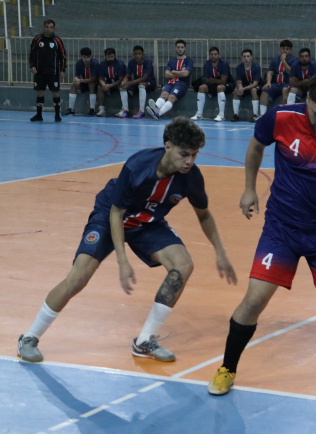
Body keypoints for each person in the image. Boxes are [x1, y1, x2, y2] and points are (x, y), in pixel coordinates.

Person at [207, 71, 316, 396]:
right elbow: (256, 147)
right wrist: (249, 188)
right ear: (306, 100)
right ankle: (227, 368)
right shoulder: (281, 117)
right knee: (253, 301)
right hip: (281, 229)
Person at [18, 117, 238, 363]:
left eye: (195, 155)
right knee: (79, 277)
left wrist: (220, 252)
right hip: (109, 216)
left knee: (183, 265)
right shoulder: (138, 166)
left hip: (147, 222)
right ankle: (29, 337)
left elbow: (204, 215)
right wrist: (122, 261)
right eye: (184, 154)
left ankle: (144, 341)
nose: (189, 161)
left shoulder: (192, 178)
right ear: (167, 146)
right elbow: (116, 213)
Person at [28, 19, 66, 122]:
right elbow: (32, 54)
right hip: (40, 72)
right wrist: (32, 66)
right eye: (47, 27)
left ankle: (57, 115)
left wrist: (62, 70)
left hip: (53, 72)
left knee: (55, 92)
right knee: (40, 92)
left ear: (54, 28)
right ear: (43, 27)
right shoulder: (37, 39)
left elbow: (62, 56)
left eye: (51, 27)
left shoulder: (57, 40)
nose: (49, 29)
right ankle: (39, 115)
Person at [146, 40, 194, 120]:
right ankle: (156, 108)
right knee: (164, 95)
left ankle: (158, 113)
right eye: (178, 47)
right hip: (170, 82)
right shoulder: (172, 61)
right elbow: (166, 74)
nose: (180, 49)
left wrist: (174, 72)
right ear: (175, 48)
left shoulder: (189, 61)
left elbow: (186, 74)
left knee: (171, 97)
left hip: (181, 84)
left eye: (182, 47)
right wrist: (180, 72)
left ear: (185, 48)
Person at [190, 47, 234, 122]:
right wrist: (215, 80)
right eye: (212, 54)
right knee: (201, 87)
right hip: (213, 85)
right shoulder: (207, 64)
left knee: (220, 87)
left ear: (219, 55)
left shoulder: (224, 63)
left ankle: (221, 115)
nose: (213, 56)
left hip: (228, 84)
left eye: (215, 54)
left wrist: (212, 80)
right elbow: (207, 79)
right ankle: (199, 114)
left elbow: (223, 81)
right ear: (209, 55)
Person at [259, 39, 297, 119]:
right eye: (283, 49)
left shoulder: (294, 60)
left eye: (287, 49)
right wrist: (268, 82)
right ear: (280, 49)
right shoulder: (275, 60)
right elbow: (270, 72)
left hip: (287, 84)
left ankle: (285, 115)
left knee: (285, 90)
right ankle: (263, 115)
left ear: (290, 50)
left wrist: (283, 61)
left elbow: (290, 72)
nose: (285, 51)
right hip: (276, 84)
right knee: (265, 90)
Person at [120, 45, 157, 119]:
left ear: (143, 54)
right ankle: (125, 110)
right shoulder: (131, 62)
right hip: (136, 83)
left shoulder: (148, 62)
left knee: (141, 85)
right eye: (135, 54)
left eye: (139, 54)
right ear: (133, 54)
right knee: (122, 87)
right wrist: (124, 81)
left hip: (150, 83)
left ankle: (141, 112)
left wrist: (129, 83)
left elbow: (144, 78)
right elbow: (127, 75)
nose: (137, 56)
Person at [64, 47, 99, 116]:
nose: (86, 59)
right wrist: (76, 80)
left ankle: (92, 109)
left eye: (88, 57)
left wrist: (80, 80)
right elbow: (77, 75)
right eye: (84, 57)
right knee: (73, 85)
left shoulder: (95, 63)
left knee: (91, 84)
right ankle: (71, 108)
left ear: (91, 56)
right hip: (83, 82)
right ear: (81, 56)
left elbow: (93, 79)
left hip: (94, 83)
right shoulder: (79, 63)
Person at [96, 48, 129, 118]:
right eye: (108, 57)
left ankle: (124, 109)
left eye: (112, 56)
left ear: (115, 56)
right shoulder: (102, 64)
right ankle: (102, 109)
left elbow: (121, 79)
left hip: (118, 83)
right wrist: (104, 84)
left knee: (122, 85)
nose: (110, 59)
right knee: (99, 87)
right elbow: (100, 78)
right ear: (105, 57)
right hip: (108, 83)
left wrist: (110, 85)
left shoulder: (120, 64)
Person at [232, 49, 262, 122]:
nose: (246, 58)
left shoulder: (256, 67)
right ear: (241, 57)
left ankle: (255, 115)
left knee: (253, 90)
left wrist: (244, 89)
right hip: (244, 86)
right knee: (236, 91)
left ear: (251, 57)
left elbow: (255, 83)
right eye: (244, 56)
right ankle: (236, 115)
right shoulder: (239, 67)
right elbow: (239, 81)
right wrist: (240, 88)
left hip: (255, 86)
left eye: (248, 56)